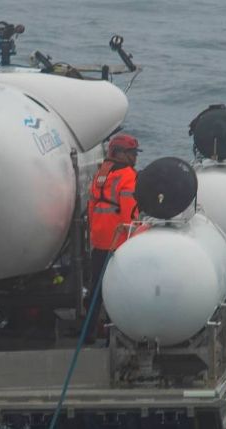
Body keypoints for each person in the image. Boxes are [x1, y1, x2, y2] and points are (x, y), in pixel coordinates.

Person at [85, 133, 141, 342]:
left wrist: (94, 233)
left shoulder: (101, 173)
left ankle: (89, 332)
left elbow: (91, 206)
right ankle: (114, 335)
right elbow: (130, 213)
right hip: (119, 242)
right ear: (118, 153)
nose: (135, 157)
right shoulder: (127, 175)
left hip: (99, 240)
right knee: (118, 290)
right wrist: (135, 238)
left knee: (96, 292)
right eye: (131, 153)